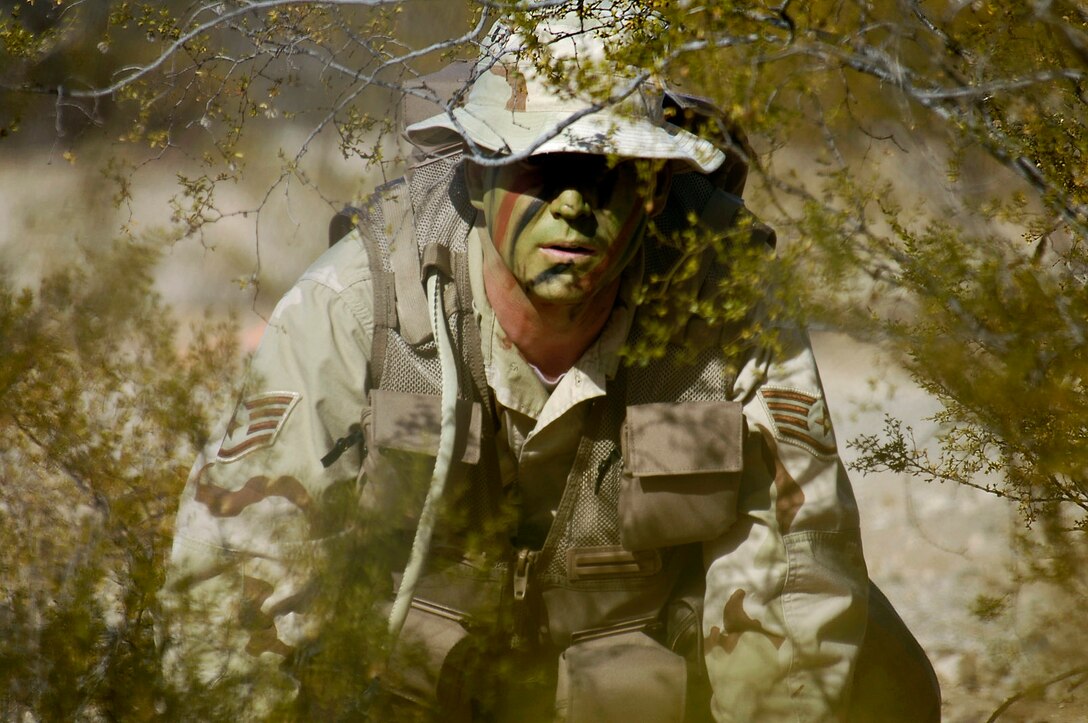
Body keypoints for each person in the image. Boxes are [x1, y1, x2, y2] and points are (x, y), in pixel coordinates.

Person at [159, 8, 938, 722]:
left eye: (609, 170)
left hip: (641, 681)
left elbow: (795, 574)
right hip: (409, 682)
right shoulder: (359, 305)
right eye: (541, 164)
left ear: (658, 191)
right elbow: (234, 582)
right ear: (476, 171)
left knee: (881, 671)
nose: (574, 203)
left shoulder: (722, 301)